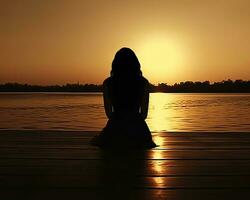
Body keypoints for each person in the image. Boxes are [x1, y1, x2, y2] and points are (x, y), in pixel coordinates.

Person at [91, 47, 156, 148]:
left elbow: (109, 114)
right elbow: (143, 115)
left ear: (115, 64)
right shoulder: (144, 82)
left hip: (115, 128)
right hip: (138, 131)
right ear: (136, 64)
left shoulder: (108, 83)